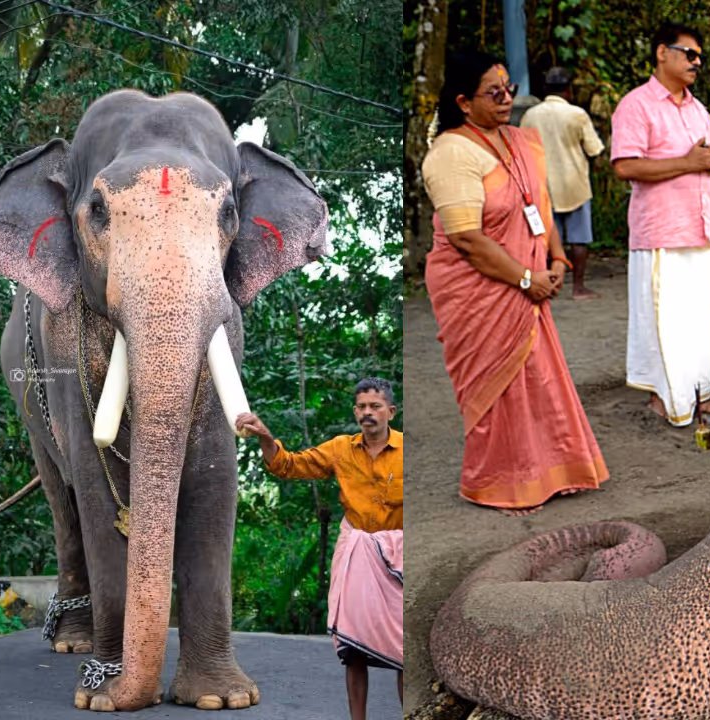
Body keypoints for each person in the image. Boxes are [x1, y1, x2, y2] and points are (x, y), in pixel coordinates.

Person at [420, 50, 609, 515]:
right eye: (495, 92)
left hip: (526, 283)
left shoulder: (517, 141)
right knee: (498, 387)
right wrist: (528, 279)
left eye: (510, 90)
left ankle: (548, 473)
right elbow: (466, 239)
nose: (506, 99)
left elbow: (538, 207)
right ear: (464, 102)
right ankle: (495, 482)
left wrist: (558, 258)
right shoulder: (452, 152)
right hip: (478, 291)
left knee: (538, 378)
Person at [234, 378, 403, 720]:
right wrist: (267, 437)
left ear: (391, 411)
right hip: (358, 552)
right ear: (355, 411)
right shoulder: (341, 448)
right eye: (362, 407)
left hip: (399, 556)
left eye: (375, 406)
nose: (367, 413)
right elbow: (289, 465)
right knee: (354, 649)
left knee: (404, 650)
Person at [612, 21, 710, 428]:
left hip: (699, 229)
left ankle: (697, 394)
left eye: (700, 57)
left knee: (698, 320)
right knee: (665, 321)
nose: (698, 62)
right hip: (661, 233)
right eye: (689, 54)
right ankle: (666, 398)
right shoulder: (636, 105)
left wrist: (709, 160)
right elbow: (625, 166)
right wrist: (688, 162)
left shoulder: (697, 109)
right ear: (663, 53)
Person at [521, 66, 606, 299]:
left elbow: (523, 151)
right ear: (568, 91)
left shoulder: (530, 115)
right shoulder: (577, 114)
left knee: (546, 238)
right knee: (579, 238)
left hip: (542, 184)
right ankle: (578, 287)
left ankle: (548, 285)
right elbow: (594, 148)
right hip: (575, 183)